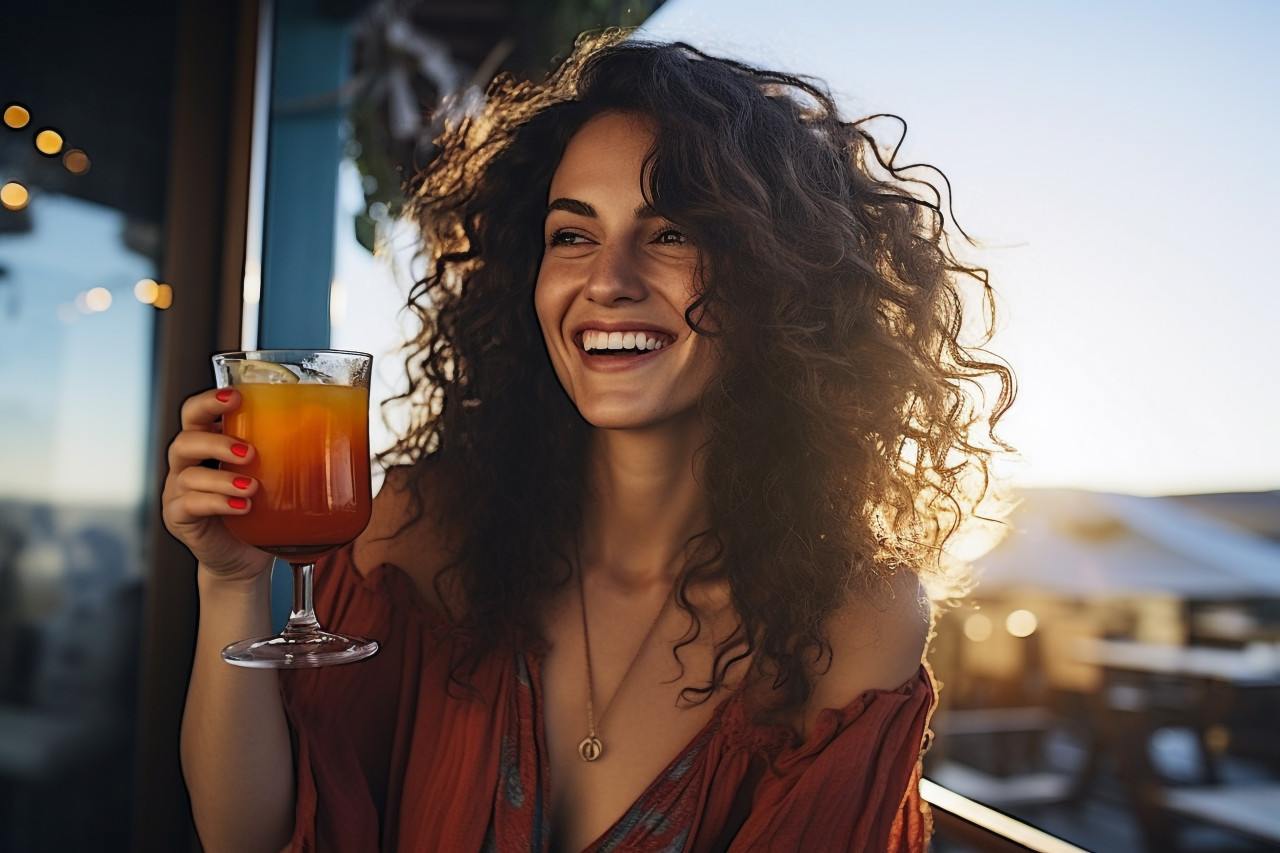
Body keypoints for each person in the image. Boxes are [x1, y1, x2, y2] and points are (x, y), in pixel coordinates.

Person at [163, 31, 1013, 853]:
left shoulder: (851, 617)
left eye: (673, 233)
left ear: (778, 277)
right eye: (573, 235)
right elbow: (252, 836)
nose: (608, 280)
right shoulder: (421, 529)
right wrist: (231, 582)